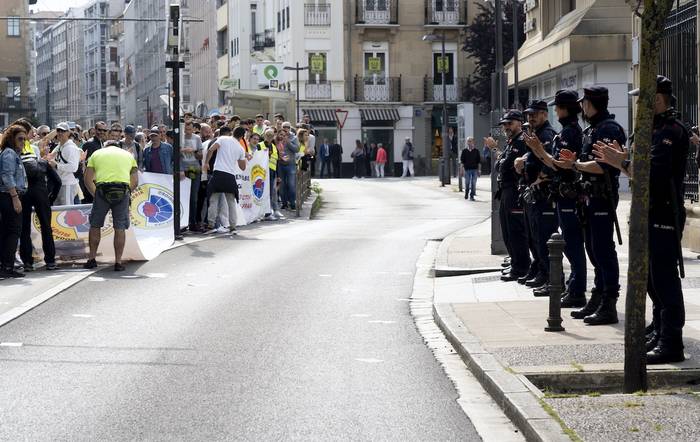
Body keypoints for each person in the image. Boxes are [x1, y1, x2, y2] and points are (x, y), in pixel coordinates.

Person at [594, 76, 688, 363]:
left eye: (642, 98)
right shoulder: (651, 130)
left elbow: (654, 177)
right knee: (650, 279)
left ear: (657, 100)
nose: (638, 103)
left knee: (664, 278)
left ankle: (671, 341)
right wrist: (623, 163)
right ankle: (660, 330)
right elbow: (639, 173)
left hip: (664, 212)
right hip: (649, 211)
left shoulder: (669, 131)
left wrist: (620, 163)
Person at [552, 86, 626, 326]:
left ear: (591, 103)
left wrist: (575, 166)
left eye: (584, 103)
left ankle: (609, 302)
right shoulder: (591, 129)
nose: (581, 107)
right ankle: (598, 296)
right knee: (593, 249)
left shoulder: (609, 129)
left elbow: (603, 166)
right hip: (587, 198)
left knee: (603, 250)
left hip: (602, 197)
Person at [524, 90, 587, 307]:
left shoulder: (570, 133)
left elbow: (560, 165)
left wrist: (540, 150)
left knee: (573, 245)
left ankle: (578, 290)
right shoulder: (566, 131)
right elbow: (554, 163)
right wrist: (539, 151)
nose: (556, 111)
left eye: (558, 107)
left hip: (569, 196)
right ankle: (574, 286)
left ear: (564, 109)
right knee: (568, 244)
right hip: (562, 194)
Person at [516, 100, 558, 290]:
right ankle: (544, 274)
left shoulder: (546, 134)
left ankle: (553, 279)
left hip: (544, 195)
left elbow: (549, 162)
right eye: (528, 114)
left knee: (545, 239)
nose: (530, 117)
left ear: (545, 114)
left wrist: (538, 180)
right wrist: (523, 159)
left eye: (535, 114)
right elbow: (534, 157)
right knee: (536, 238)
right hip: (535, 194)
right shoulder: (536, 134)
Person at [486, 110, 530, 281]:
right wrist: (496, 151)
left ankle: (521, 267)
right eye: (504, 124)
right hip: (506, 190)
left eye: (509, 124)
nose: (506, 127)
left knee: (516, 232)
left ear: (519, 123)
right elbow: (501, 162)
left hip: (514, 190)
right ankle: (516, 263)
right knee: (508, 231)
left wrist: (501, 161)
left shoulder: (520, 142)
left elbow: (504, 166)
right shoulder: (512, 142)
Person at [82, 142, 139, 272]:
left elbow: (87, 179)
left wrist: (96, 194)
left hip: (102, 190)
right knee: (120, 227)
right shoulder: (128, 156)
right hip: (122, 190)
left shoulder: (96, 154)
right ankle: (118, 262)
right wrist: (125, 193)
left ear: (105, 147)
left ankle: (92, 259)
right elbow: (135, 181)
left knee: (95, 225)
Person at [19, 130, 61, 272]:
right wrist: (51, 197)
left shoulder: (19, 165)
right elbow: (58, 181)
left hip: (23, 194)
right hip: (41, 194)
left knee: (24, 229)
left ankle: (27, 263)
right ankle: (50, 261)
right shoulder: (42, 163)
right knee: (46, 228)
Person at [203, 126, 247, 234]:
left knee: (213, 200)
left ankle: (210, 225)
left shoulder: (223, 138)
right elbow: (242, 167)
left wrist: (206, 162)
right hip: (230, 176)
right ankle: (233, 227)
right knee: (231, 202)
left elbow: (211, 149)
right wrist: (244, 157)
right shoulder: (241, 149)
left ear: (233, 132)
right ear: (242, 137)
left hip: (218, 173)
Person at [0, 125, 28, 278]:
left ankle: (6, 266)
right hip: (9, 196)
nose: (23, 142)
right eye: (20, 139)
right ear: (11, 138)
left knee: (7, 232)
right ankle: (7, 266)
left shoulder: (12, 153)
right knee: (13, 231)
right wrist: (15, 198)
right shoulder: (9, 153)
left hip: (9, 196)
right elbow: (7, 176)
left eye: (24, 139)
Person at [47, 122, 82, 206]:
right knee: (58, 211)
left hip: (68, 184)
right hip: (58, 183)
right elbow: (50, 157)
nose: (60, 133)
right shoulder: (60, 146)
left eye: (62, 131)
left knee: (67, 210)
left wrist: (56, 165)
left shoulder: (71, 147)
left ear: (68, 133)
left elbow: (73, 167)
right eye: (58, 130)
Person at [182, 120, 203, 231]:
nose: (188, 131)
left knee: (193, 197)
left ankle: (193, 222)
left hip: (193, 169)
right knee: (183, 196)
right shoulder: (180, 137)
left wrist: (193, 151)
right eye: (186, 129)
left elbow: (200, 156)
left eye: (190, 129)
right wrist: (183, 150)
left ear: (193, 129)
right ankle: (183, 222)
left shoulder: (197, 138)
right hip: (183, 170)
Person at [258, 129, 283, 220]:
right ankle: (266, 213)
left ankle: (272, 211)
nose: (269, 137)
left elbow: (276, 162)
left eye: (271, 135)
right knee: (265, 193)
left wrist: (278, 175)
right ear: (264, 135)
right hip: (262, 173)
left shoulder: (273, 146)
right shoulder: (260, 145)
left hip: (272, 172)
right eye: (268, 135)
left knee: (272, 192)